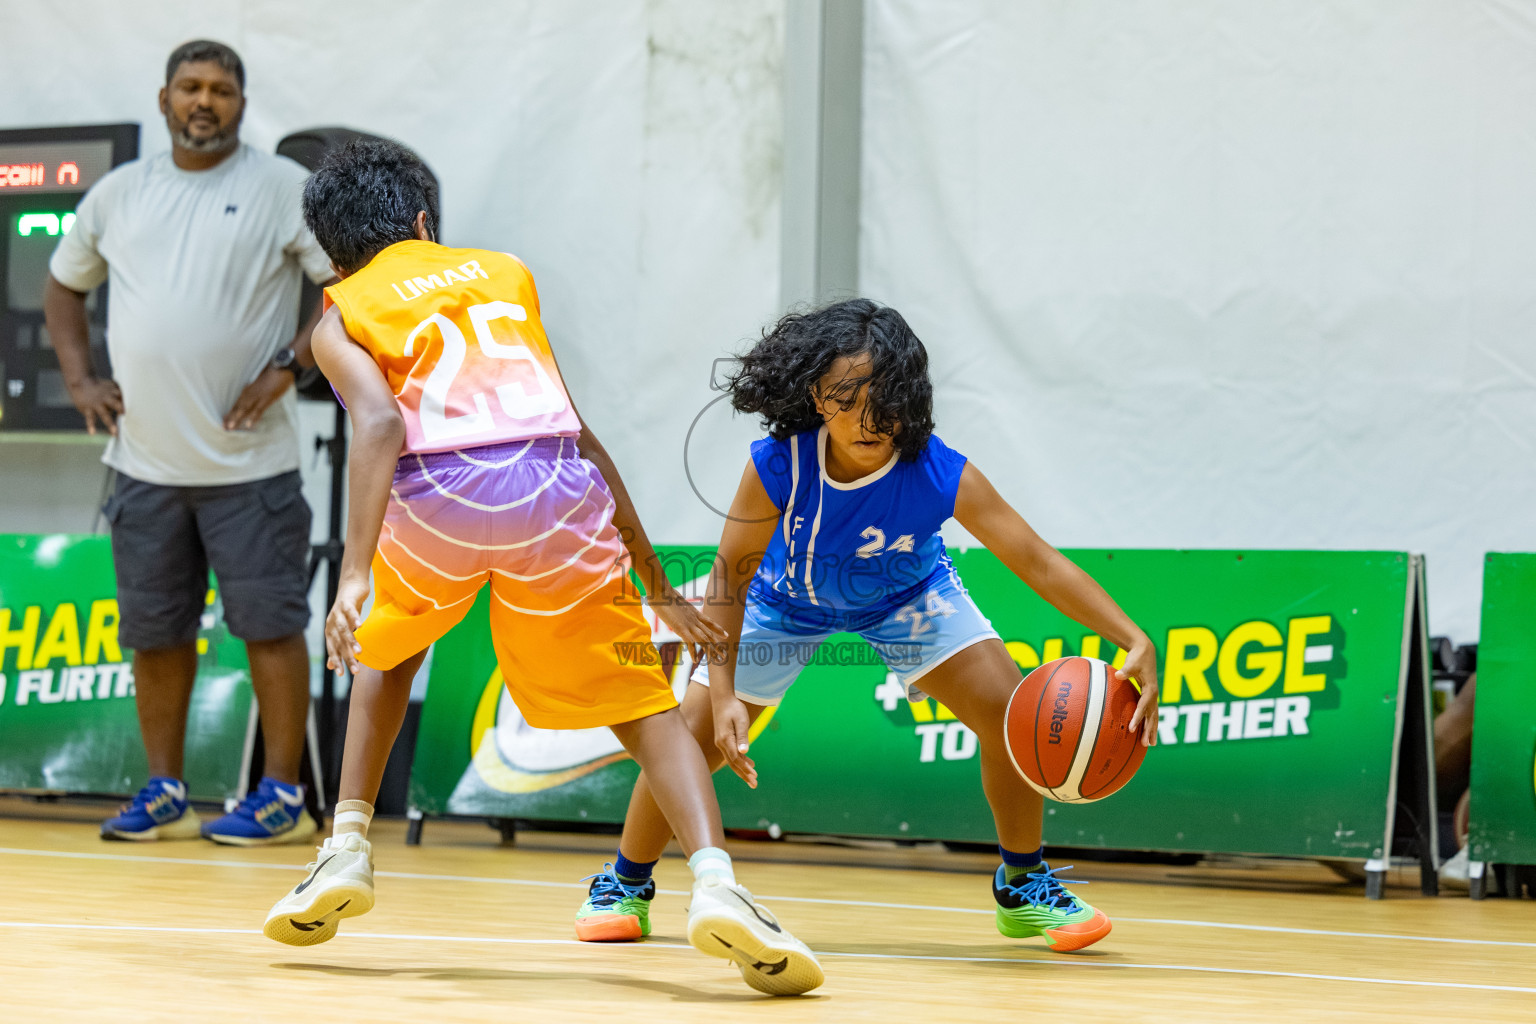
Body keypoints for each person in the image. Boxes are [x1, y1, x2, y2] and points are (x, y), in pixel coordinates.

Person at [259, 139, 823, 996]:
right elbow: (580, 433)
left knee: (386, 647)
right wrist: (657, 587)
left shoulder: (339, 314)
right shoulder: (505, 274)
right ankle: (718, 883)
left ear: (334, 257)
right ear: (421, 221)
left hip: (441, 491)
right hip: (556, 489)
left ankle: (345, 846)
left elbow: (377, 426)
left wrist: (356, 576)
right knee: (646, 706)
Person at [574, 299, 1159, 952]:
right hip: (783, 600)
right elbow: (729, 579)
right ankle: (626, 880)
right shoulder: (777, 464)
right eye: (846, 398)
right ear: (817, 396)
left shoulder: (938, 470)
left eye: (884, 397)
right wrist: (722, 684)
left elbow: (1038, 562)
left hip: (907, 596)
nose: (867, 417)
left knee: (1009, 710)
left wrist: (1132, 636)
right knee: (695, 731)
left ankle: (1022, 885)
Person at [44, 39, 334, 845]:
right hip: (144, 465)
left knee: (271, 626)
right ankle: (164, 787)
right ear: (165, 97)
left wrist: (290, 367)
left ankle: (279, 795)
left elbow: (345, 291)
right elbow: (64, 286)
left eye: (222, 90)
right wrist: (78, 382)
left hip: (252, 467)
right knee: (155, 633)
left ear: (242, 104)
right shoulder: (118, 193)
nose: (205, 101)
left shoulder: (284, 189)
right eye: (190, 87)